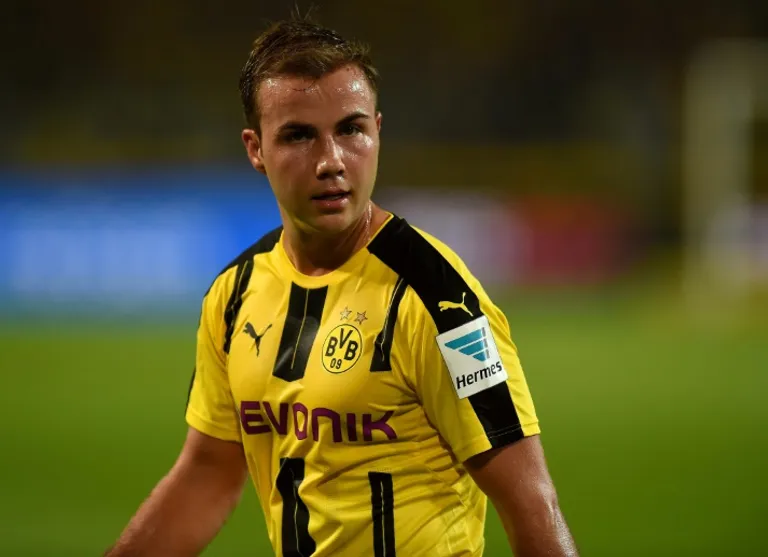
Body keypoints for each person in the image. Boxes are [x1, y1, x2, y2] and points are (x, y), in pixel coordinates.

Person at [106, 15, 578, 557]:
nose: (331, 161)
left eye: (351, 130)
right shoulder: (235, 294)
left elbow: (531, 503)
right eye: (299, 135)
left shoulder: (439, 299)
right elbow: (207, 474)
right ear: (255, 149)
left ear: (378, 131)